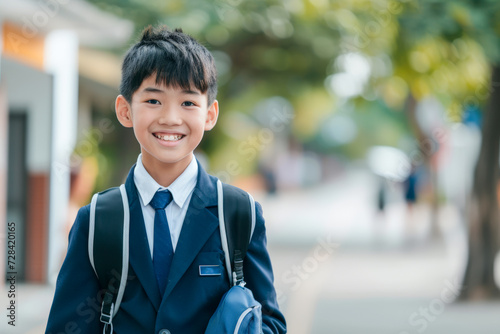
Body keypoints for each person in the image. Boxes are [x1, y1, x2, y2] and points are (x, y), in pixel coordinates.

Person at [46, 25, 286, 334]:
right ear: (125, 110)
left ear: (209, 115)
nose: (171, 118)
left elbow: (271, 323)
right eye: (153, 101)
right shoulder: (98, 219)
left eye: (188, 103)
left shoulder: (238, 213)